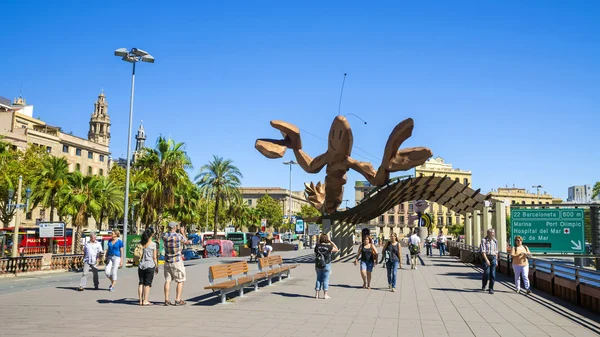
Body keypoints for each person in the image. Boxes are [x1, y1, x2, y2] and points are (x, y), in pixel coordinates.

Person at [163, 221, 193, 306]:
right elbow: (187, 242)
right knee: (180, 280)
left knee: (167, 280)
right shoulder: (178, 236)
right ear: (174, 227)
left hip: (167, 261)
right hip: (177, 261)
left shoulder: (164, 236)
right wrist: (183, 233)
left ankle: (166, 299)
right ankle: (177, 299)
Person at [138, 227, 158, 306]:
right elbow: (154, 257)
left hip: (141, 265)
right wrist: (156, 266)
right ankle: (145, 300)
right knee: (147, 283)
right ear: (152, 234)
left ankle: (140, 300)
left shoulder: (142, 243)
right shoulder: (153, 244)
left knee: (141, 282)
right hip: (149, 265)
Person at [314, 233, 338, 299]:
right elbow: (336, 249)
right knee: (326, 279)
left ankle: (317, 294)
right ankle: (325, 295)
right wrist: (331, 242)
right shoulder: (329, 247)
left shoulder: (317, 246)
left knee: (318, 279)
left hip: (318, 264)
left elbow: (315, 253)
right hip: (326, 264)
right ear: (327, 239)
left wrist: (319, 242)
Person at [480, 228, 499, 294]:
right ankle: (484, 285)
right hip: (486, 257)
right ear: (488, 234)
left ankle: (491, 288)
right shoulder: (484, 240)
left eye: (493, 233)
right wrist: (486, 260)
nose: (493, 234)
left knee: (493, 274)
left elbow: (496, 252)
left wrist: (496, 260)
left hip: (493, 257)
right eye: (491, 233)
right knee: (487, 273)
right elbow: (482, 251)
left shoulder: (495, 241)